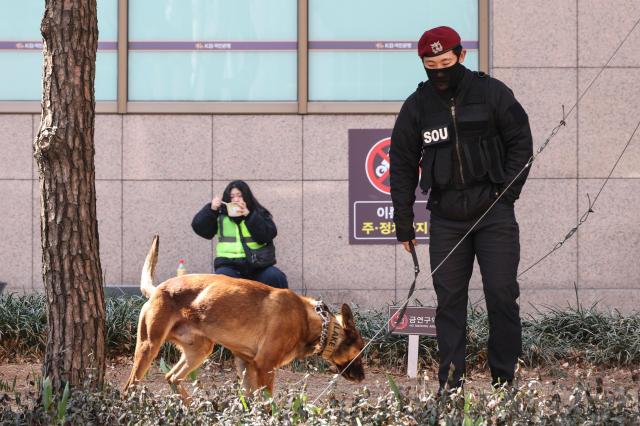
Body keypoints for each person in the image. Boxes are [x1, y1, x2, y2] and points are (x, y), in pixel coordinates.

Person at [389, 26, 533, 391]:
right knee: (449, 302)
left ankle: (505, 381)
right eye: (430, 65)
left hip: (493, 214)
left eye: (446, 62)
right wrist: (404, 224)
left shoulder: (491, 93)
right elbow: (403, 164)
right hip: (446, 218)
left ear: (462, 56)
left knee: (502, 294)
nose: (439, 71)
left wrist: (506, 195)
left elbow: (521, 143)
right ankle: (450, 386)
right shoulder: (417, 105)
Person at [191, 180, 288, 289]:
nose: (236, 199)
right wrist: (211, 209)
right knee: (222, 282)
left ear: (246, 197)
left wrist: (249, 215)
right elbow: (200, 228)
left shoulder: (258, 213)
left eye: (239, 196)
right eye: (232, 197)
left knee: (275, 276)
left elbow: (267, 235)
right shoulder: (220, 215)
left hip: (258, 264)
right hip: (229, 265)